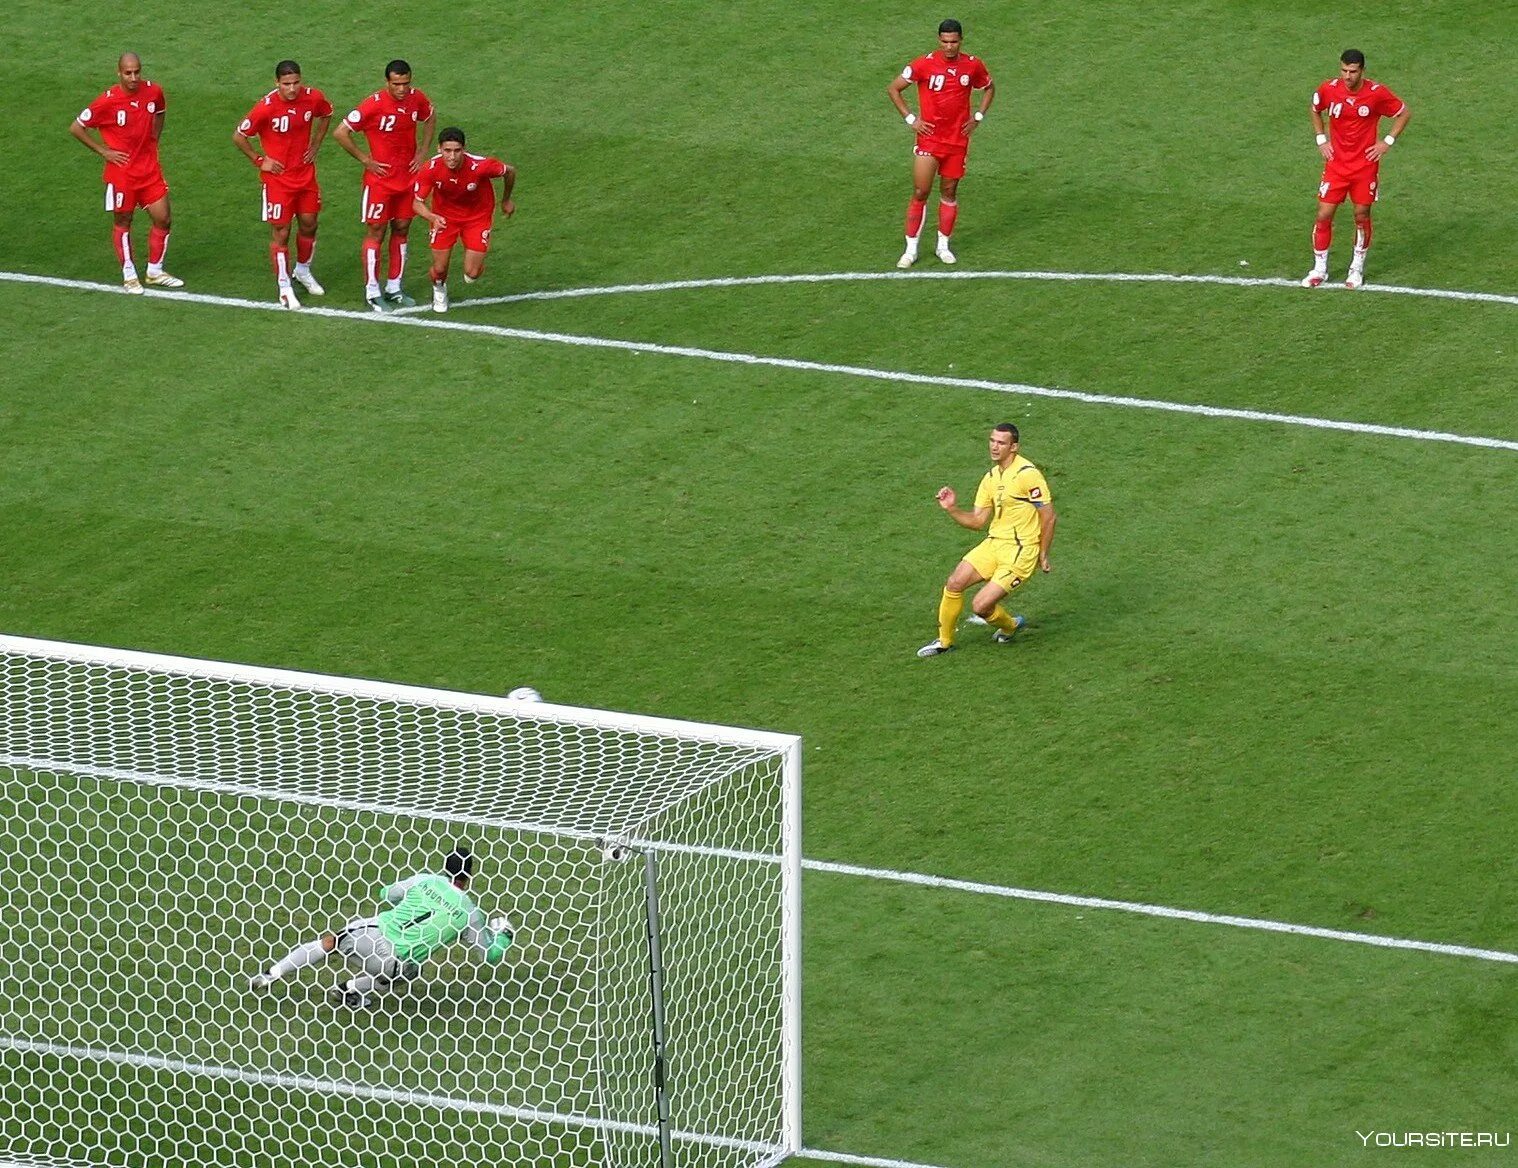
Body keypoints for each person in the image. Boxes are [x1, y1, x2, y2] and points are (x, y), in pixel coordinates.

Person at [250, 844, 515, 1008]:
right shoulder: (470, 911)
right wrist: (504, 935)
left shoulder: (425, 880)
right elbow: (489, 956)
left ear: (445, 867)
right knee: (410, 971)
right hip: (393, 965)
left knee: (329, 943)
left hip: (371, 935)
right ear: (469, 875)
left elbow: (386, 895)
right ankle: (349, 991)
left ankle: (271, 973)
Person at [918, 423, 1056, 658]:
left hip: (1021, 551)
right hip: (994, 543)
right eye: (992, 440)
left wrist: (1043, 553)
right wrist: (952, 509)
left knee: (981, 606)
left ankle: (1010, 625)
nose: (994, 446)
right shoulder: (991, 478)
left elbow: (1049, 516)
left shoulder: (1027, 474)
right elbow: (978, 521)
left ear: (1014, 447)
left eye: (1001, 443)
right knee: (954, 583)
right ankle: (944, 641)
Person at [70, 53, 184, 293]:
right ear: (119, 73)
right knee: (123, 220)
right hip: (122, 174)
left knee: (163, 218)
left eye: (137, 72)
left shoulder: (153, 92)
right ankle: (129, 274)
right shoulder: (107, 101)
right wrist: (104, 151)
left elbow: (160, 112)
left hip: (149, 169)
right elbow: (77, 127)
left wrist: (154, 138)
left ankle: (154, 271)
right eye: (128, 73)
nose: (133, 77)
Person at [887, 19, 993, 269]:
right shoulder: (923, 64)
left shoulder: (972, 65)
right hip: (930, 139)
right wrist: (911, 119)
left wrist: (977, 117)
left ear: (961, 41)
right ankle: (910, 250)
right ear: (939, 41)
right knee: (920, 191)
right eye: (945, 42)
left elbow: (989, 87)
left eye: (954, 42)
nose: (949, 47)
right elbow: (894, 88)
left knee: (949, 192)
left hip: (957, 141)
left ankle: (943, 246)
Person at [1302, 49, 1410, 290]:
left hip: (1364, 167)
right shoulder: (1329, 89)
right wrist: (1321, 139)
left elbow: (1403, 112)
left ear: (1362, 71)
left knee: (1361, 216)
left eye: (1352, 72)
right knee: (1323, 214)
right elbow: (1314, 108)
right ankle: (1319, 269)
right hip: (1336, 166)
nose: (1347, 76)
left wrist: (1386, 142)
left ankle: (1356, 268)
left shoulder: (1376, 94)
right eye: (1344, 71)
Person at [333, 59, 436, 311]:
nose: (402, 89)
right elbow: (340, 132)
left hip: (407, 179)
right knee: (376, 231)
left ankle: (394, 287)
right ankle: (372, 291)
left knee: (402, 228)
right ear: (387, 82)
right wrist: (366, 160)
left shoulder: (417, 98)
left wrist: (422, 151)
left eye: (405, 83)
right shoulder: (373, 104)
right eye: (396, 84)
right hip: (379, 182)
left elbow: (430, 117)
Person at [232, 60, 333, 310]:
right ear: (276, 83)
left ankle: (302, 270)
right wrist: (259, 160)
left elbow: (327, 114)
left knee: (310, 224)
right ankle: (284, 286)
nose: (292, 88)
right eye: (286, 84)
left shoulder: (313, 98)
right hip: (278, 181)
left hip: (306, 176)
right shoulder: (265, 108)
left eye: (296, 82)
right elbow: (239, 136)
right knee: (282, 232)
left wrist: (316, 145)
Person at [412, 128, 517, 313]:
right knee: (439, 268)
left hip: (477, 218)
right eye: (447, 151)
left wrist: (506, 199)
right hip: (444, 219)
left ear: (464, 149)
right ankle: (439, 289)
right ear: (439, 149)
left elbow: (510, 171)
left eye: (457, 151)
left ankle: (474, 266)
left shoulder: (480, 166)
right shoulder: (430, 168)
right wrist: (431, 217)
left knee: (472, 274)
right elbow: (417, 203)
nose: (452, 156)